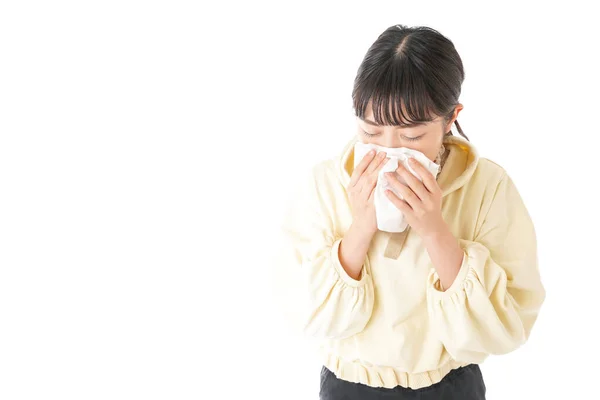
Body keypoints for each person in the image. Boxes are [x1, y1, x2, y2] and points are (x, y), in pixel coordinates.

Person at [273, 24, 546, 400]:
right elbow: (305, 313)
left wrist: (435, 231)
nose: (389, 149)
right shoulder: (326, 184)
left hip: (451, 388)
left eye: (412, 137)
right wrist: (361, 227)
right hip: (348, 388)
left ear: (451, 119)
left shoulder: (487, 187)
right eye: (371, 133)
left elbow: (507, 326)